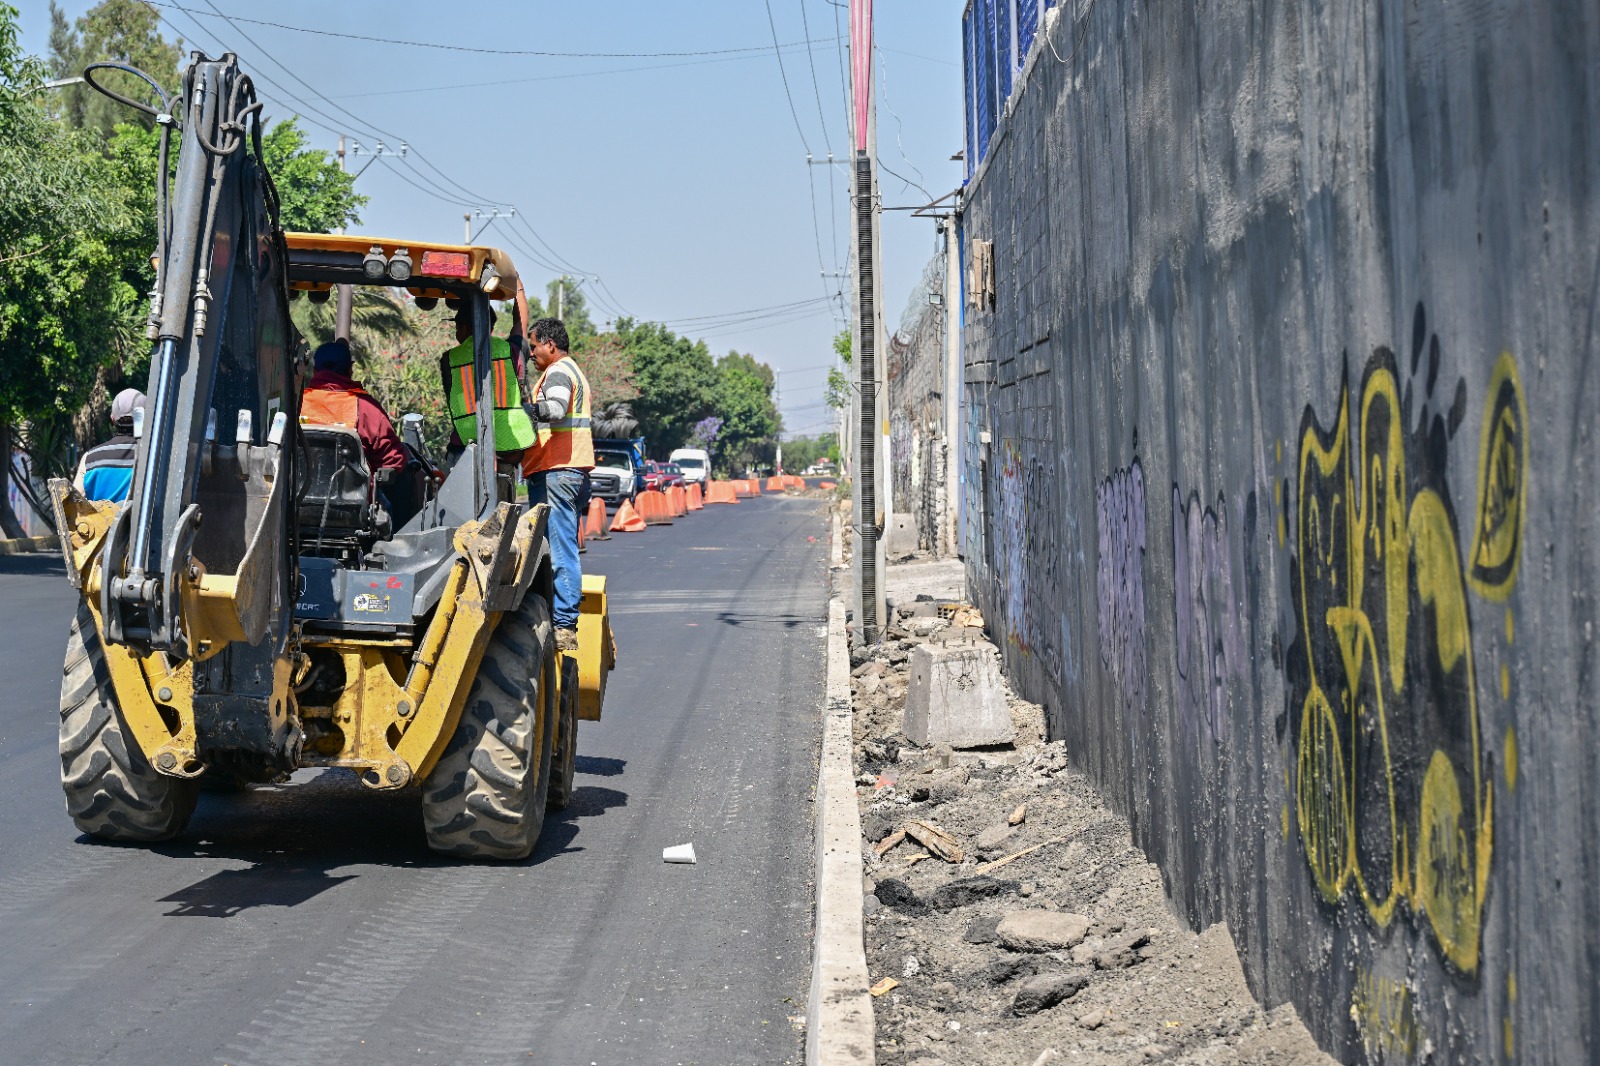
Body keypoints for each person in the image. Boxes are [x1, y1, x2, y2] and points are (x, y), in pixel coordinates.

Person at [523, 316, 594, 652]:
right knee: (553, 549)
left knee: (561, 549)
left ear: (550, 345)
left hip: (558, 470)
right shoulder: (570, 370)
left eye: (534, 346)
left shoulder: (559, 372)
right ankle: (559, 618)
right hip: (564, 470)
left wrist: (523, 411)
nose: (531, 353)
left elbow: (555, 408)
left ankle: (564, 624)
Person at [439, 304, 538, 459]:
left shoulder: (450, 359)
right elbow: (520, 324)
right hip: (508, 446)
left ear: (465, 328)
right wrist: (517, 290)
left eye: (457, 328)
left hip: (466, 443)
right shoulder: (511, 350)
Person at [300, 339, 407, 474]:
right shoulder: (366, 407)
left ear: (315, 371)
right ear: (350, 369)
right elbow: (393, 459)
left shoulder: (297, 403)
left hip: (296, 487)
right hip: (353, 488)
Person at [76, 387, 144, 502]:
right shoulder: (155, 456)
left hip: (100, 514)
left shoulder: (89, 459)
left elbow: (75, 502)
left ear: (113, 420)